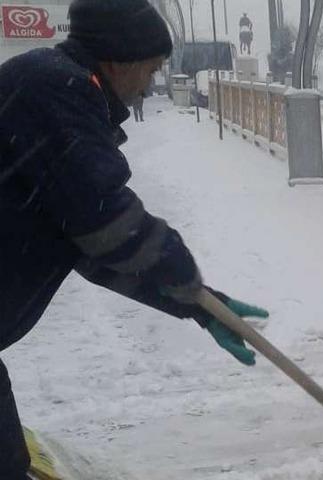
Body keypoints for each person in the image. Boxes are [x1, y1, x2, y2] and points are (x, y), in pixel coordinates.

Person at [0, 1, 268, 477]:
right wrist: (182, 271)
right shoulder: (54, 89)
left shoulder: (57, 88)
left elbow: (92, 249)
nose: (150, 83)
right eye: (152, 67)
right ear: (121, 59)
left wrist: (198, 305)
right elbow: (107, 222)